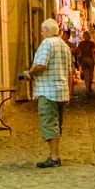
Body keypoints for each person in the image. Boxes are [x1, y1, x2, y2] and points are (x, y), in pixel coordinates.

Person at [21, 19, 73, 168]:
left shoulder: (47, 44)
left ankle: (55, 157)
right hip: (61, 91)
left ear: (48, 30)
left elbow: (41, 65)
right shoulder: (65, 46)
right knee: (57, 124)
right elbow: (70, 72)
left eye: (43, 30)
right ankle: (53, 154)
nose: (41, 33)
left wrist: (29, 73)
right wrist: (69, 92)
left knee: (49, 123)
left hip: (47, 90)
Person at [75, 31, 95, 97]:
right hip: (90, 59)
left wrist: (79, 60)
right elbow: (93, 52)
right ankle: (89, 88)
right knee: (90, 74)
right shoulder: (91, 43)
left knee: (86, 74)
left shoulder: (81, 43)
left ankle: (87, 89)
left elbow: (79, 53)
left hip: (83, 59)